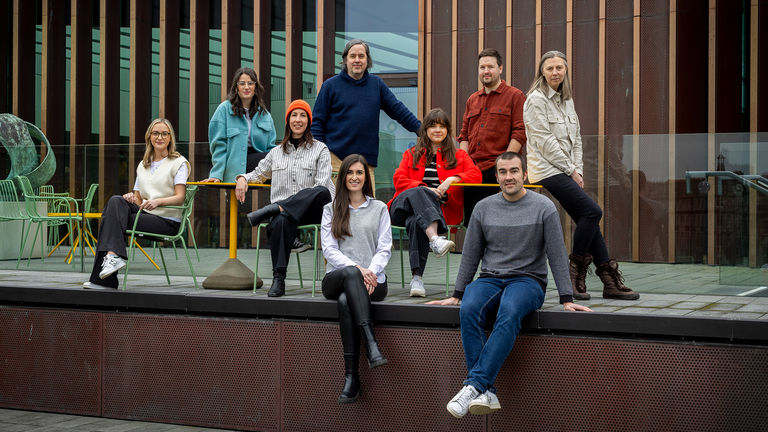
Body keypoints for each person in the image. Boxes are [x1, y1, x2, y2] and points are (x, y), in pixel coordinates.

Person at [428, 152, 592, 418]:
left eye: (514, 171)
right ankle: (486, 391)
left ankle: (473, 385)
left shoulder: (543, 207)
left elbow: (557, 253)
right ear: (497, 177)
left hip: (528, 281)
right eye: (503, 172)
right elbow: (471, 254)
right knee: (469, 308)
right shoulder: (483, 208)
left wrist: (566, 297)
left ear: (524, 175)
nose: (509, 177)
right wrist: (457, 294)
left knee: (510, 309)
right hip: (490, 278)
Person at [523, 50, 639, 301]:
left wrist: (578, 170)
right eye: (550, 68)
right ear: (542, 72)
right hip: (546, 170)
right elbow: (544, 141)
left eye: (559, 68)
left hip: (566, 169)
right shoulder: (536, 99)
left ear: (565, 71)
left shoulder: (567, 100)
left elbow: (576, 139)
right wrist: (570, 169)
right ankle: (573, 274)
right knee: (592, 211)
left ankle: (609, 283)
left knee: (589, 219)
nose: (555, 72)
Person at [235, 100, 333, 297]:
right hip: (288, 217)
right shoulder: (276, 153)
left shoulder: (320, 149)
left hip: (312, 211)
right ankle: (279, 278)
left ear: (308, 121)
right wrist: (242, 178)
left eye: (303, 115)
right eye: (294, 115)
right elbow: (258, 174)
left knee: (323, 191)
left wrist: (282, 205)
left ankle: (276, 207)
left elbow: (322, 184)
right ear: (288, 121)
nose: (298, 120)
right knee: (280, 220)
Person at [84, 118, 190, 290]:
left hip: (167, 221)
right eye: (156, 133)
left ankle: (105, 278)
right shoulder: (143, 165)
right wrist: (131, 198)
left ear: (170, 138)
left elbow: (180, 197)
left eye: (164, 133)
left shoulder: (178, 163)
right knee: (116, 201)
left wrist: (158, 201)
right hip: (146, 215)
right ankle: (112, 257)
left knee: (111, 219)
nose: (160, 137)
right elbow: (138, 199)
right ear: (149, 137)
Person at [320, 154, 391, 404]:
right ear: (342, 177)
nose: (354, 177)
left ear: (365, 177)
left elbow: (385, 248)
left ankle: (352, 378)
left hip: (374, 281)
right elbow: (329, 250)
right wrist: (360, 270)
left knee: (344, 302)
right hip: (336, 278)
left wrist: (371, 273)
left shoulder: (380, 208)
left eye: (359, 173)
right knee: (350, 274)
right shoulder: (330, 209)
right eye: (350, 173)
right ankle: (371, 342)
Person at [387, 108, 481, 297]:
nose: (437, 130)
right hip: (401, 209)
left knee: (416, 221)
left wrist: (452, 179)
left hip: (435, 215)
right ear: (425, 130)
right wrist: (425, 189)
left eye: (442, 126)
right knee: (419, 192)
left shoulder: (459, 156)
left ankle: (417, 278)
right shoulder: (412, 153)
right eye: (432, 126)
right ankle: (435, 239)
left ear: (447, 130)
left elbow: (476, 175)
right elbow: (399, 179)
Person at [311, 39, 421, 192]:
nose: (357, 60)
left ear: (367, 60)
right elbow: (317, 123)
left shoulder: (376, 85)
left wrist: (421, 129)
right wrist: (320, 155)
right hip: (335, 160)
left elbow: (398, 110)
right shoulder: (330, 86)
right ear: (345, 60)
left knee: (368, 210)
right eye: (353, 56)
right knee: (335, 210)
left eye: (361, 56)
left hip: (365, 162)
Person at [458, 48, 527, 225]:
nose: (486, 71)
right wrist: (465, 163)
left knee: (499, 222)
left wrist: (504, 164)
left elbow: (520, 132)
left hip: (498, 171)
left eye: (490, 66)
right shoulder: (472, 99)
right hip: (473, 171)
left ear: (500, 68)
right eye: (482, 67)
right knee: (473, 223)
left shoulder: (515, 96)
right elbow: (463, 135)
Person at [203, 67, 276, 183]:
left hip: (259, 167)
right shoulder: (223, 110)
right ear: (236, 87)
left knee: (280, 157)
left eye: (250, 83)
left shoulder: (265, 114)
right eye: (242, 84)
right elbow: (218, 145)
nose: (246, 87)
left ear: (256, 87)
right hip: (235, 166)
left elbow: (271, 148)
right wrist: (217, 174)